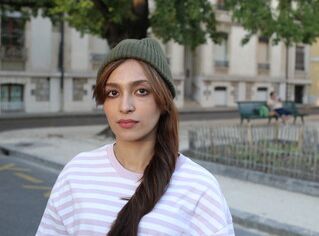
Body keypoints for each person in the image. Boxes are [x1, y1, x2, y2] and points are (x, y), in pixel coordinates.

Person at [36, 38, 235, 236]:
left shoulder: (199, 188)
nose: (125, 106)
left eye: (141, 91)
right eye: (113, 92)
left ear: (163, 100)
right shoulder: (76, 174)